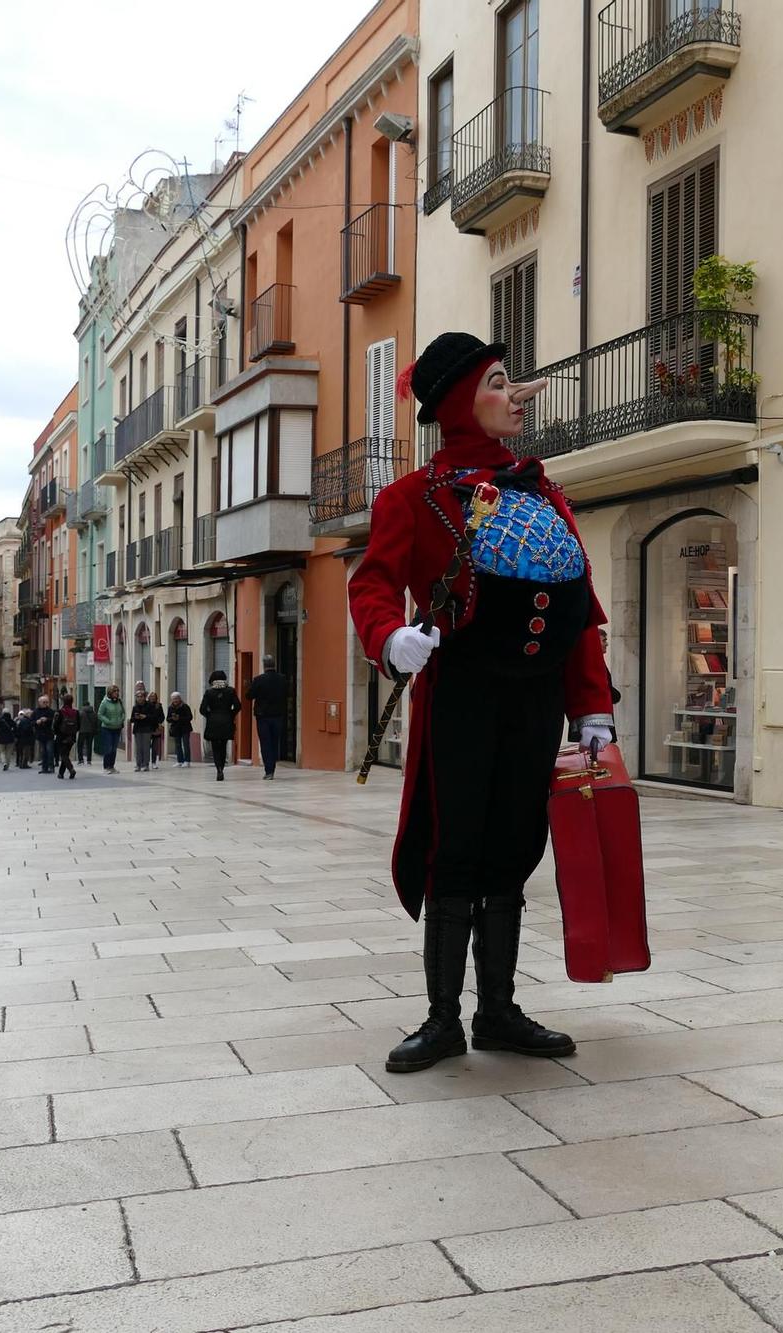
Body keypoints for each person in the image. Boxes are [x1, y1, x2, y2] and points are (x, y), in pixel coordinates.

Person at [349, 333, 614, 1075]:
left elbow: (576, 608)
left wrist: (590, 704)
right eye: (500, 382)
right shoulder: (413, 498)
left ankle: (496, 1010)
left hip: (532, 702)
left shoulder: (542, 489)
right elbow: (369, 583)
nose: (517, 394)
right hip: (460, 695)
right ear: (466, 400)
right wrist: (389, 634)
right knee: (455, 850)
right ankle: (441, 1019)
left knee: (513, 850)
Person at [247, 654, 287, 780]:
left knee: (265, 743)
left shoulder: (258, 679)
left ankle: (269, 770)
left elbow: (249, 695)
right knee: (274, 742)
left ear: (264, 666)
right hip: (278, 715)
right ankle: (272, 767)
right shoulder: (283, 679)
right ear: (274, 664)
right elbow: (287, 693)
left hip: (263, 716)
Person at [198, 672, 241, 780]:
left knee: (215, 747)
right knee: (223, 745)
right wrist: (231, 714)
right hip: (227, 721)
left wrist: (210, 715)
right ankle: (222, 766)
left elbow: (202, 709)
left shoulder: (209, 692)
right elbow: (238, 706)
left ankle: (219, 769)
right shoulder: (230, 691)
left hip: (213, 722)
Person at [130, 688, 163, 773]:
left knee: (146, 748)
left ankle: (145, 764)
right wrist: (136, 717)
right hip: (137, 729)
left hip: (147, 729)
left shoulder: (150, 706)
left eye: (141, 696)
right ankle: (138, 764)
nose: (140, 698)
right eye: (138, 697)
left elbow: (154, 717)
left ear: (145, 697)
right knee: (138, 748)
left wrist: (145, 717)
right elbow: (131, 719)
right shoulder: (135, 707)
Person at [95, 685, 126, 771]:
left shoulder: (119, 702)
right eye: (114, 691)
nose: (116, 693)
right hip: (107, 728)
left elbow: (123, 712)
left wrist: (121, 719)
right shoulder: (104, 702)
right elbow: (100, 714)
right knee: (108, 747)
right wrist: (108, 721)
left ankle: (112, 766)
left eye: (117, 691)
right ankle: (106, 766)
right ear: (110, 693)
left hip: (117, 727)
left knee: (114, 748)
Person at [54, 691, 80, 779]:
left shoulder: (60, 712)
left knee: (63, 755)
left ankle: (71, 769)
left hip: (61, 736)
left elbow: (55, 725)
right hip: (72, 737)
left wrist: (56, 733)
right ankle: (61, 773)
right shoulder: (76, 712)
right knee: (65, 755)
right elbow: (79, 725)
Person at [167, 691, 194, 767]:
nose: (175, 700)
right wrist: (172, 718)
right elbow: (168, 719)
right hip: (176, 729)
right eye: (173, 699)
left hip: (185, 728)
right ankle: (179, 761)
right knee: (178, 745)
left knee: (186, 744)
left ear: (179, 698)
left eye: (176, 698)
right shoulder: (170, 708)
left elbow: (190, 717)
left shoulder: (185, 706)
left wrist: (179, 718)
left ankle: (187, 761)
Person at [33, 695, 56, 773]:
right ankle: (44, 768)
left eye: (47, 702)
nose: (45, 703)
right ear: (39, 703)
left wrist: (47, 719)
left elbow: (54, 721)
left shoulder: (51, 711)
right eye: (44, 702)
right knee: (43, 752)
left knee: (50, 751)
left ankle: (51, 767)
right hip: (40, 734)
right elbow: (31, 722)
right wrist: (37, 722)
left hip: (49, 734)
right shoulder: (36, 711)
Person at [12, 702, 37, 771]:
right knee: (26, 752)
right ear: (28, 714)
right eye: (31, 714)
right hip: (26, 739)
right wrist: (31, 728)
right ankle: (24, 764)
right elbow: (25, 729)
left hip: (23, 739)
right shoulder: (26, 721)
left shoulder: (24, 720)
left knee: (24, 752)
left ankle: (22, 763)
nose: (32, 715)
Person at [78, 699, 98, 766]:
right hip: (91, 732)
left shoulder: (80, 713)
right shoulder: (94, 713)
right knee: (89, 746)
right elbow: (96, 723)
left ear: (83, 705)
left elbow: (78, 722)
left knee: (80, 745)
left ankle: (81, 760)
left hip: (82, 731)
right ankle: (89, 760)